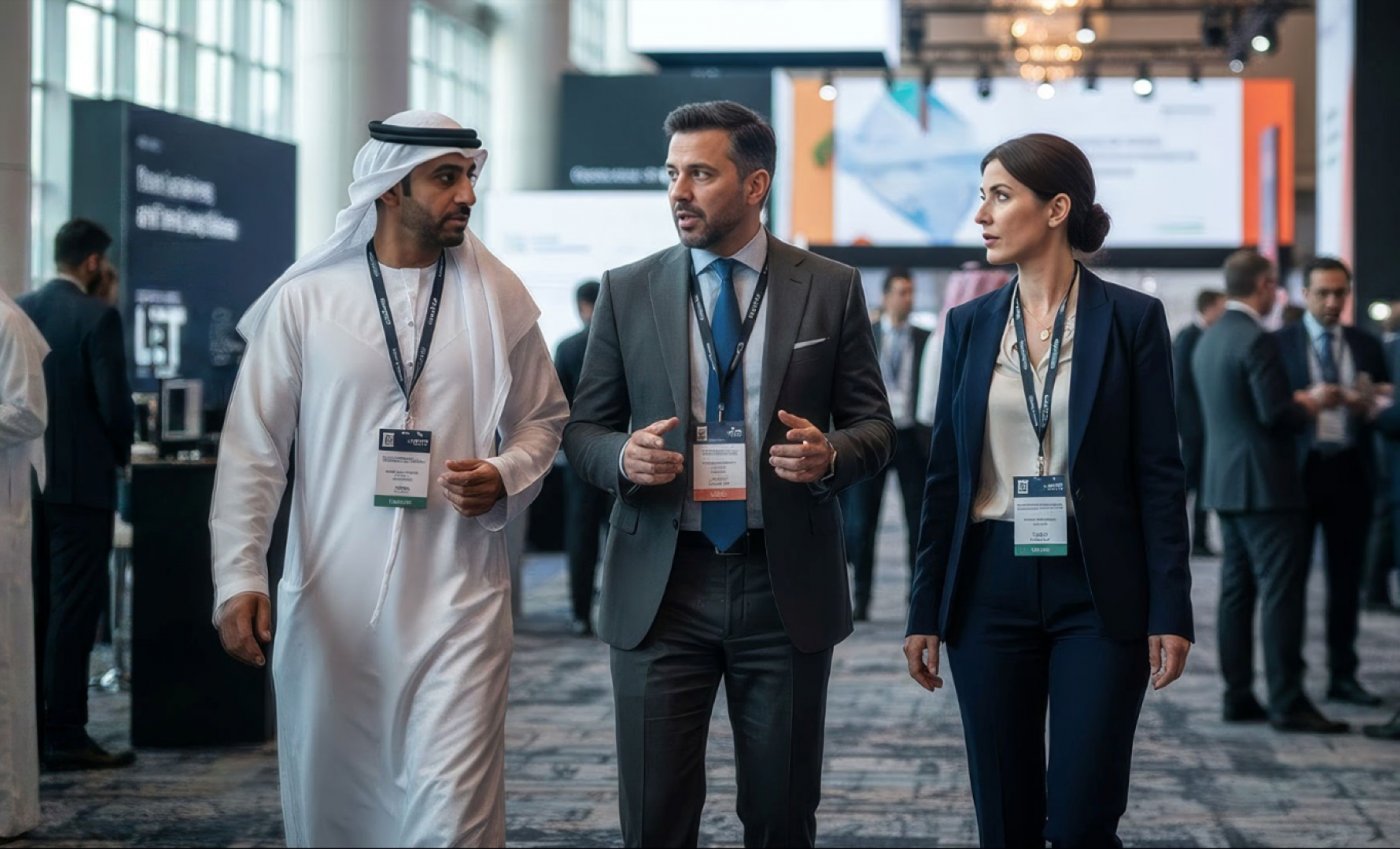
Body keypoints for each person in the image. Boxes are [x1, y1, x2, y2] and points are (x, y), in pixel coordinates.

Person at [209, 110, 568, 847]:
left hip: (460, 599)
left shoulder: (499, 296)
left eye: (470, 175)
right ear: (390, 187)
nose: (467, 193)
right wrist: (238, 573)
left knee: (454, 819)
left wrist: (503, 473)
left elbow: (543, 418)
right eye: (446, 177)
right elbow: (254, 449)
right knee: (337, 812)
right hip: (333, 603)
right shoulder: (307, 301)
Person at [563, 100, 894, 848]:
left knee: (780, 815)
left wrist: (831, 455)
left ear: (755, 185)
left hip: (783, 581)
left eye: (700, 174)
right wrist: (621, 457)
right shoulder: (627, 288)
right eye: (671, 174)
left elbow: (875, 427)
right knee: (654, 815)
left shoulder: (829, 286)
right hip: (661, 583)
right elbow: (582, 431)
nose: (678, 192)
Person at [903, 133, 1194, 848]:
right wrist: (924, 608)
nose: (981, 215)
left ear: (1057, 208)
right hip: (987, 584)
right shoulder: (969, 325)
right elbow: (946, 478)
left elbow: (1160, 474)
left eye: (1000, 196)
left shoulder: (1131, 319)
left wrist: (1172, 606)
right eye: (982, 196)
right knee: (1005, 819)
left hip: (1099, 586)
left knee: (1083, 817)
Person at [1193, 248, 1348, 734]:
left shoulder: (1211, 336)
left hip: (1224, 484)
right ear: (1263, 285)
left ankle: (1237, 695)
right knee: (1282, 594)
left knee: (1236, 594)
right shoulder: (1256, 339)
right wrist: (1311, 402)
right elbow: (1275, 415)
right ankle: (1287, 701)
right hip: (1267, 486)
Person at [18, 218, 135, 770]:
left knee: (36, 605)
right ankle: (65, 732)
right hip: (83, 486)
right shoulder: (97, 316)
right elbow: (114, 406)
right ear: (92, 262)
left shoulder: (20, 310)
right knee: (74, 609)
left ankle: (31, 730)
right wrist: (123, 455)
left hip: (25, 483)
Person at [1273, 256, 1386, 707]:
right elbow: (1273, 409)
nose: (1333, 302)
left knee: (1346, 580)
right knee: (1292, 583)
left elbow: (1383, 401)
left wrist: (1368, 404)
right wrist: (1308, 401)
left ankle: (1344, 674)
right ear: (1305, 294)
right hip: (1299, 474)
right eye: (1323, 293)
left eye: (1340, 292)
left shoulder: (1366, 345)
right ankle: (1291, 682)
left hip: (1350, 471)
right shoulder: (1279, 343)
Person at [842, 268, 930, 621]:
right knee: (862, 522)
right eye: (901, 292)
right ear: (886, 296)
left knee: (917, 522)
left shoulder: (926, 339)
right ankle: (861, 599)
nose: (908, 299)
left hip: (912, 439)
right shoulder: (868, 335)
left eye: (911, 292)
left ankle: (916, 601)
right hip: (873, 436)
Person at [0, 288, 48, 837]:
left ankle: (9, 810)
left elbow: (28, 413)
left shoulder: (8, 324)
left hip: (4, 518)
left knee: (6, 660)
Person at [554, 279, 609, 636]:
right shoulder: (620, 342)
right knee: (622, 535)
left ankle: (580, 614)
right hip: (619, 451)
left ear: (581, 306)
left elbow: (556, 406)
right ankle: (620, 611)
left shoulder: (568, 347)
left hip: (579, 457)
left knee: (581, 536)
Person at [1172, 288, 1227, 557]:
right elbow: (1181, 386)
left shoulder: (1207, 336)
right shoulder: (1188, 337)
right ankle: (1174, 538)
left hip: (1205, 427)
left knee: (1203, 484)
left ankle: (1201, 541)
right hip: (1194, 428)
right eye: (1221, 307)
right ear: (1209, 308)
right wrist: (1189, 426)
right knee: (1186, 485)